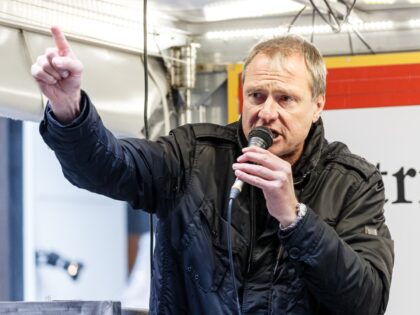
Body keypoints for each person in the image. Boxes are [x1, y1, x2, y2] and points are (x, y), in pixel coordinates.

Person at [31, 26, 394, 315]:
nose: (267, 112)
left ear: (318, 105)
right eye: (256, 96)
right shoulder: (192, 155)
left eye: (285, 98)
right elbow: (109, 166)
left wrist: (296, 220)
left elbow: (366, 301)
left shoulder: (353, 184)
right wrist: (70, 111)